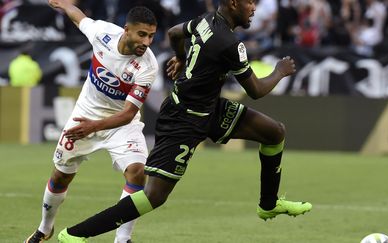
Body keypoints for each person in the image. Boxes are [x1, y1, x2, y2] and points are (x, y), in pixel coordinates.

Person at [57, 0, 312, 241]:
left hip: (209, 108)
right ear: (234, 3)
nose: (254, 9)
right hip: (183, 119)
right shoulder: (230, 44)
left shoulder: (205, 20)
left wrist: (180, 57)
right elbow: (256, 90)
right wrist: (280, 72)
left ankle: (268, 204)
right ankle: (76, 234)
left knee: (274, 132)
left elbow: (175, 33)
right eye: (249, 3)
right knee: (154, 196)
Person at [25, 1, 159, 243]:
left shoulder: (147, 66)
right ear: (126, 29)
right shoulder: (103, 34)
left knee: (138, 173)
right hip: (84, 115)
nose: (147, 42)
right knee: (60, 176)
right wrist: (64, 4)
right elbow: (79, 18)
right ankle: (45, 228)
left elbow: (128, 114)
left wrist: (94, 126)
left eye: (151, 36)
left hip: (121, 125)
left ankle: (123, 239)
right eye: (142, 34)